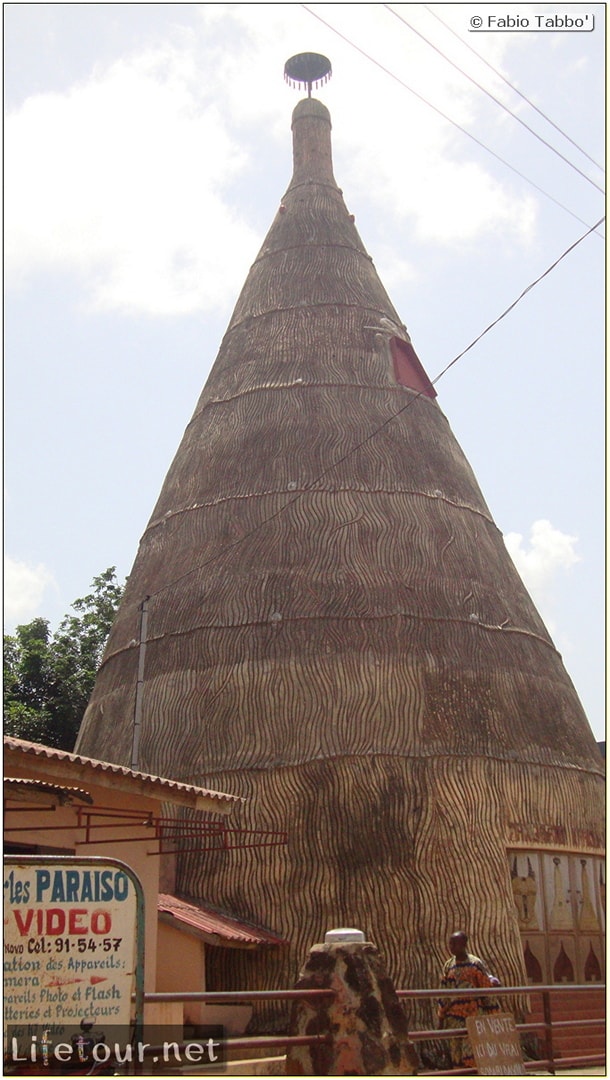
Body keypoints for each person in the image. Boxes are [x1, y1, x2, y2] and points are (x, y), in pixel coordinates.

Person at [438, 930, 500, 1070]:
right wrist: (441, 1016)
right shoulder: (448, 966)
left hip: (473, 1016)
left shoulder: (475, 964)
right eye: (450, 943)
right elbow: (444, 993)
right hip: (454, 1019)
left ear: (464, 944)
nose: (451, 946)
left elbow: (486, 990)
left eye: (455, 943)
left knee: (471, 1052)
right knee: (456, 1053)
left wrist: (493, 1014)